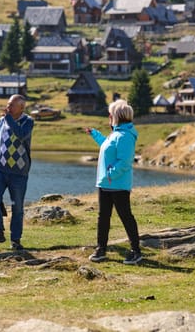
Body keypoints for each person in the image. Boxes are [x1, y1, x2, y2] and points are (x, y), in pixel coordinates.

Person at [84, 99, 142, 265]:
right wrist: (95, 134)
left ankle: (136, 251)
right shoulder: (116, 133)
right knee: (103, 217)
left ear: (116, 116)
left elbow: (125, 162)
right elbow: (107, 146)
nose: (108, 116)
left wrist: (110, 174)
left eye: (110, 114)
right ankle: (101, 249)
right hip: (106, 183)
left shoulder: (125, 136)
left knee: (125, 216)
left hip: (117, 184)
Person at [0, 94, 34, 250]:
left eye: (12, 105)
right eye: (8, 104)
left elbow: (20, 134)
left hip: (19, 173)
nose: (8, 107)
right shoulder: (0, 122)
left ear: (21, 107)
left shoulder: (28, 122)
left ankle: (15, 240)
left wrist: (8, 118)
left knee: (17, 207)